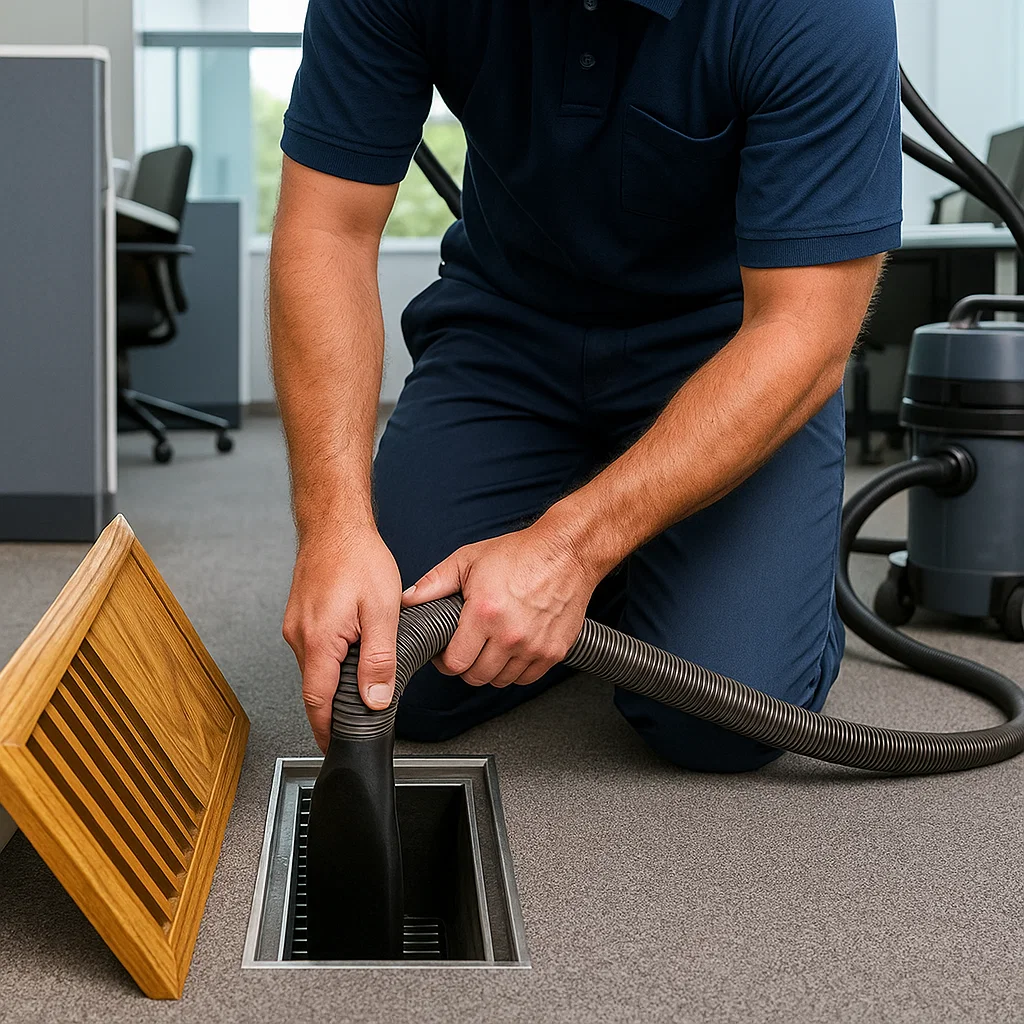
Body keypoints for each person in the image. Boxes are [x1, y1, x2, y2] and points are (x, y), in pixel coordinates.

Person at [270, 0, 902, 771]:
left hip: (727, 351)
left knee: (719, 714)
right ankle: (612, 576)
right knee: (388, 674)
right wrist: (332, 523)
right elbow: (328, 230)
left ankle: (692, 561)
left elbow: (802, 330)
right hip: (509, 333)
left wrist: (571, 550)